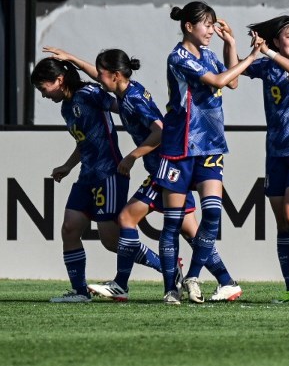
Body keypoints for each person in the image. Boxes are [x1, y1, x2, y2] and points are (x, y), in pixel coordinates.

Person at [43, 46, 243, 302]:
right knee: (190, 231)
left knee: (127, 217)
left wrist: (132, 155)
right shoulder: (126, 91)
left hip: (166, 168)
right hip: (166, 166)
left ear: (114, 75)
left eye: (101, 74)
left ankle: (121, 283)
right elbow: (98, 76)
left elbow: (160, 130)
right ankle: (227, 281)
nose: (97, 78)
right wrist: (72, 58)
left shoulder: (133, 97)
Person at [30, 58, 160, 302]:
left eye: (42, 88)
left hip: (109, 173)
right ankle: (80, 292)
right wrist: (68, 166)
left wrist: (144, 140)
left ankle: (167, 268)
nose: (43, 94)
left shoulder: (89, 93)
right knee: (69, 229)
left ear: (58, 80)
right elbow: (85, 141)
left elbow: (122, 105)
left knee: (111, 240)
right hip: (87, 176)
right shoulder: (66, 107)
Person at [155, 1, 259, 304]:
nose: (212, 30)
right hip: (179, 146)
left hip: (211, 146)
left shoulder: (211, 54)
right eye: (207, 25)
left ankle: (194, 276)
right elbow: (217, 81)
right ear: (189, 26)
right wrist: (252, 55)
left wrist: (232, 44)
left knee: (213, 213)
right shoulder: (178, 57)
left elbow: (233, 80)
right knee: (173, 222)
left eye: (214, 25)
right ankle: (169, 289)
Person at [226, 15, 289, 303]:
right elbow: (233, 72)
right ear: (278, 41)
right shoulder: (267, 66)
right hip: (276, 153)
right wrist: (231, 43)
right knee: (283, 222)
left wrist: (266, 51)